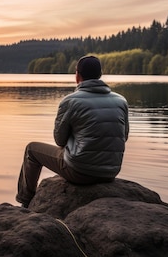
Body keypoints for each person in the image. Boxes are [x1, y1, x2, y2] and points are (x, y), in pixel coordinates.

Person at [16, 55, 129, 208]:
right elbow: (124, 137)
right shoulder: (121, 101)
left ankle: (26, 200)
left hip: (80, 172)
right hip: (110, 172)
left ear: (77, 75)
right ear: (100, 75)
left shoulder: (70, 101)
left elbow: (60, 140)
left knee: (31, 149)